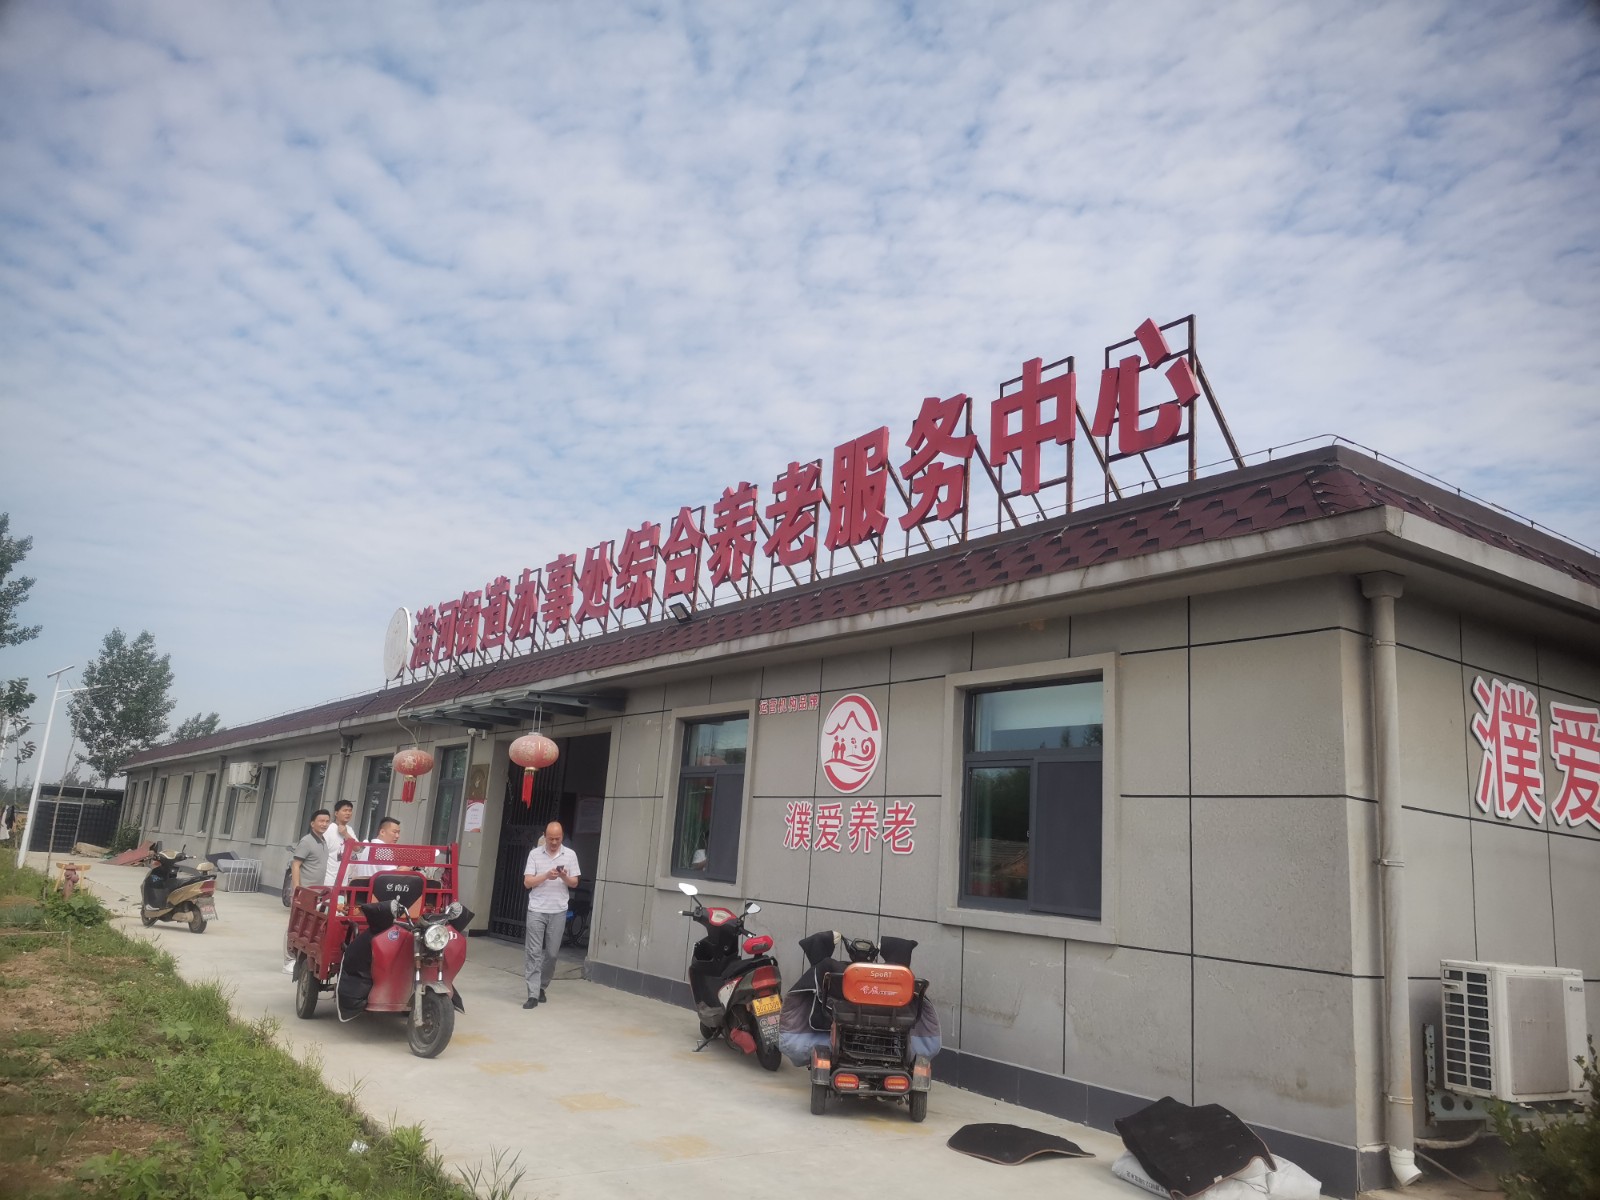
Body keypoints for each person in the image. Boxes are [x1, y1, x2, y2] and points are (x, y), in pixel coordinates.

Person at [522, 820, 579, 1009]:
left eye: (557, 839)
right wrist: (546, 876)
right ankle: (532, 994)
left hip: (558, 910)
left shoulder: (570, 855)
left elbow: (574, 883)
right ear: (545, 837)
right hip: (537, 909)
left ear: (562, 837)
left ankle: (541, 986)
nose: (554, 842)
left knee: (552, 954)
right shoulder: (534, 854)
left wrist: (563, 876)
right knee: (533, 952)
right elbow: (527, 882)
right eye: (551, 838)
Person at [284, 809, 332, 973]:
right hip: (304, 891)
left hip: (316, 893)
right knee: (294, 925)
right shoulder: (306, 841)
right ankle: (288, 961)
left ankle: (299, 958)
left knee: (306, 927)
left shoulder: (323, 841)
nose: (324, 824)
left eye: (327, 821)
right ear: (312, 824)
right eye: (321, 821)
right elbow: (295, 865)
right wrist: (297, 889)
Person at [323, 799, 355, 886]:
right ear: (336, 813)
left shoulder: (349, 830)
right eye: (345, 810)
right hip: (328, 880)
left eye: (350, 811)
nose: (348, 813)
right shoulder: (328, 829)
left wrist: (345, 834)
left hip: (343, 880)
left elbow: (357, 848)